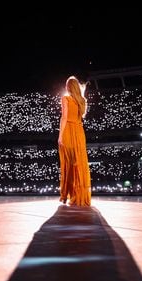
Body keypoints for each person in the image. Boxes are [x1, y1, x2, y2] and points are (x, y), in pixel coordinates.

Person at [58, 76, 91, 206]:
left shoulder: (65, 99)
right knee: (79, 163)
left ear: (68, 87)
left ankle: (68, 194)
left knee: (68, 163)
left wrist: (60, 135)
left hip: (69, 131)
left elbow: (64, 117)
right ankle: (79, 195)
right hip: (79, 132)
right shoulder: (82, 101)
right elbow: (80, 117)